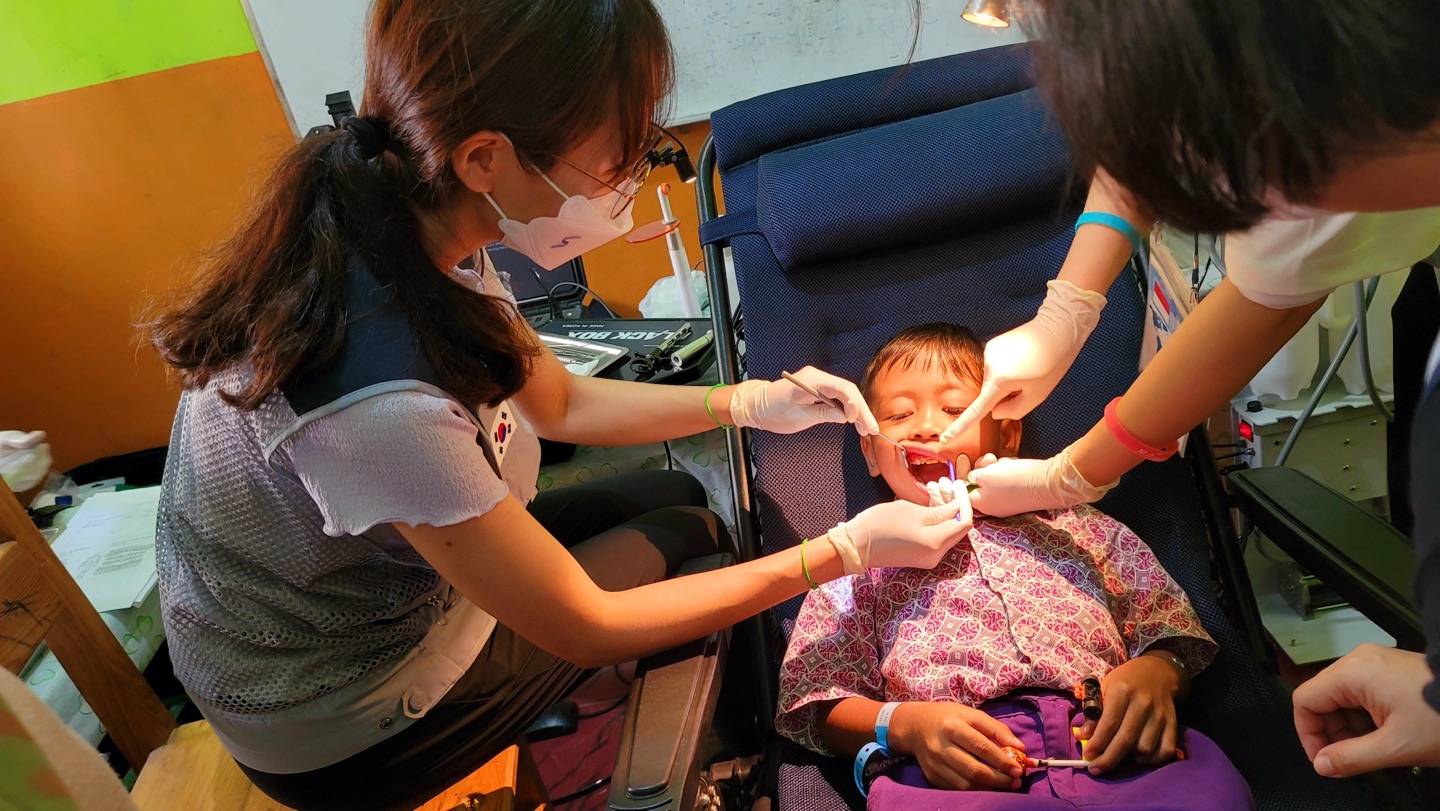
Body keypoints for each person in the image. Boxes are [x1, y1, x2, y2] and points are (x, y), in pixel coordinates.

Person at [142, 2, 970, 808]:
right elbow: (589, 626)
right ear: (485, 158)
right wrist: (843, 550)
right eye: (614, 157)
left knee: (678, 496)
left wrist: (748, 401)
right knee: (702, 542)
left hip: (379, 578)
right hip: (339, 713)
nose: (629, 179)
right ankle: (737, 759)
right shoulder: (377, 398)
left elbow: (561, 402)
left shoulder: (413, 217)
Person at [938, 0, 1440, 778]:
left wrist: (1071, 477)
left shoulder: (1095, 541)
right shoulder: (860, 577)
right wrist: (1067, 309)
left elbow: (1268, 283)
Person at [775, 324, 1251, 809]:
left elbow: (1167, 622)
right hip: (952, 771)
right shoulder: (857, 557)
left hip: (1116, 742)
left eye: (954, 409)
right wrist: (902, 724)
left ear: (1007, 434)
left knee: (1214, 794)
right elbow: (817, 699)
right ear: (871, 453)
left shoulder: (1077, 524)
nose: (924, 427)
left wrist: (1159, 671)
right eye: (898, 415)